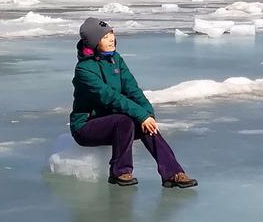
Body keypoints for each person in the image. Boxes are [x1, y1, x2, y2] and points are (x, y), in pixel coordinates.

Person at [70, 17, 198, 188]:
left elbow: (133, 90)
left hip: (112, 120)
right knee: (125, 120)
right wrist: (141, 115)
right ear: (93, 41)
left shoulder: (116, 59)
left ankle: (172, 173)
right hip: (86, 126)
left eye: (111, 34)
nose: (111, 39)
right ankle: (119, 171)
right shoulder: (84, 70)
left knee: (145, 125)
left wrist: (148, 114)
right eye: (104, 36)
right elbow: (110, 98)